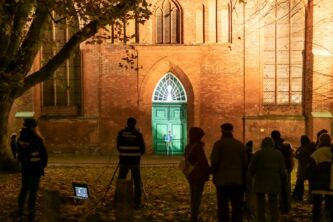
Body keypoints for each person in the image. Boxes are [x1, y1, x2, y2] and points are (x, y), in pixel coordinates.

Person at [211, 123, 247, 222]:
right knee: (237, 206)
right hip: (237, 180)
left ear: (222, 130)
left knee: (222, 206)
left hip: (222, 180)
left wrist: (214, 175)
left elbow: (214, 161)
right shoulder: (239, 144)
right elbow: (245, 163)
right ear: (232, 131)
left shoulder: (218, 144)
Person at [248, 137, 286, 222]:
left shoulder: (258, 154)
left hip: (260, 180)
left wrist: (251, 176)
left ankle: (261, 219)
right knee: (273, 203)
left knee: (260, 203)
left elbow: (251, 168)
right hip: (274, 181)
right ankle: (274, 219)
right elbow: (282, 170)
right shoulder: (278, 154)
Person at [16, 118, 48, 220]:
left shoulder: (20, 138)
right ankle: (30, 210)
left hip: (26, 167)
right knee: (33, 190)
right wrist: (42, 165)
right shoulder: (37, 138)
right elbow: (43, 155)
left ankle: (20, 208)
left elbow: (19, 153)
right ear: (34, 126)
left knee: (24, 188)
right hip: (35, 168)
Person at [117, 117, 145, 209]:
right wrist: (137, 154)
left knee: (121, 180)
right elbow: (143, 149)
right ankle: (137, 202)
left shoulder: (121, 133)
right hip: (135, 161)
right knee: (137, 181)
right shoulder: (138, 134)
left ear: (127, 123)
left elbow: (118, 147)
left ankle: (120, 200)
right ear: (134, 124)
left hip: (124, 161)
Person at [184, 127, 210, 222]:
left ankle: (193, 215)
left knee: (193, 195)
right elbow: (203, 162)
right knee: (197, 196)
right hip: (198, 175)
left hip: (191, 174)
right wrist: (208, 171)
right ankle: (194, 216)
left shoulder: (188, 146)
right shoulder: (198, 147)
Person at [307, 133, 333, 222]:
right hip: (331, 185)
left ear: (320, 141)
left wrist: (311, 182)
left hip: (317, 185)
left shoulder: (315, 154)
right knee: (330, 207)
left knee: (317, 207)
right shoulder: (332, 152)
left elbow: (310, 171)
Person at [271, 130, 293, 214]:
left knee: (279, 188)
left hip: (278, 169)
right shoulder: (286, 145)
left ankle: (281, 205)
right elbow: (289, 157)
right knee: (285, 188)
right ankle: (286, 206)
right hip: (286, 168)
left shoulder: (274, 146)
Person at [292, 135, 316, 201]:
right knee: (310, 183)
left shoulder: (302, 149)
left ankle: (298, 196)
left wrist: (298, 149)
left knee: (300, 182)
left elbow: (297, 155)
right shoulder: (311, 147)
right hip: (310, 167)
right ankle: (311, 197)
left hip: (303, 168)